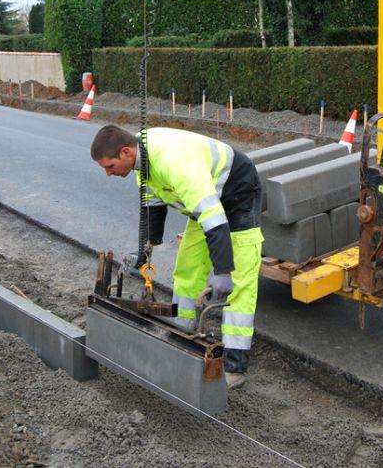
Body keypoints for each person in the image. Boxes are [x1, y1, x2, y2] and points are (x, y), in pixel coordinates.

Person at [91, 124, 263, 389]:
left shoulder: (174, 163)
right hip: (203, 204)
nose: (107, 173)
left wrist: (223, 271)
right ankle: (181, 334)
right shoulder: (142, 164)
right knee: (187, 269)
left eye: (109, 166)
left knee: (238, 286)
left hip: (236, 194)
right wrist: (146, 251)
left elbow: (215, 220)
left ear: (125, 153)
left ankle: (234, 368)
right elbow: (153, 207)